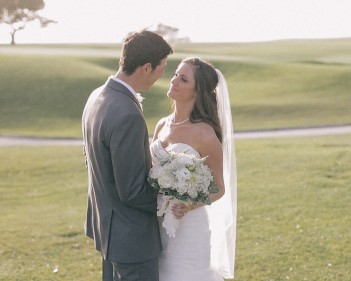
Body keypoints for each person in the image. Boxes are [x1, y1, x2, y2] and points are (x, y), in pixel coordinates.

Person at [82, 30, 173, 281]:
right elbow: (133, 191)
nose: (162, 75)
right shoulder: (128, 114)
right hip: (132, 239)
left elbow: (92, 159)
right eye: (161, 68)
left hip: (108, 229)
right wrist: (170, 199)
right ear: (146, 68)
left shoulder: (97, 97)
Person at [150, 57, 237, 280]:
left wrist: (189, 204)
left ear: (197, 92)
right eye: (176, 74)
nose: (174, 81)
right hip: (158, 225)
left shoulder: (205, 134)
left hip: (190, 229)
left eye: (184, 79)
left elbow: (219, 188)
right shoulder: (162, 124)